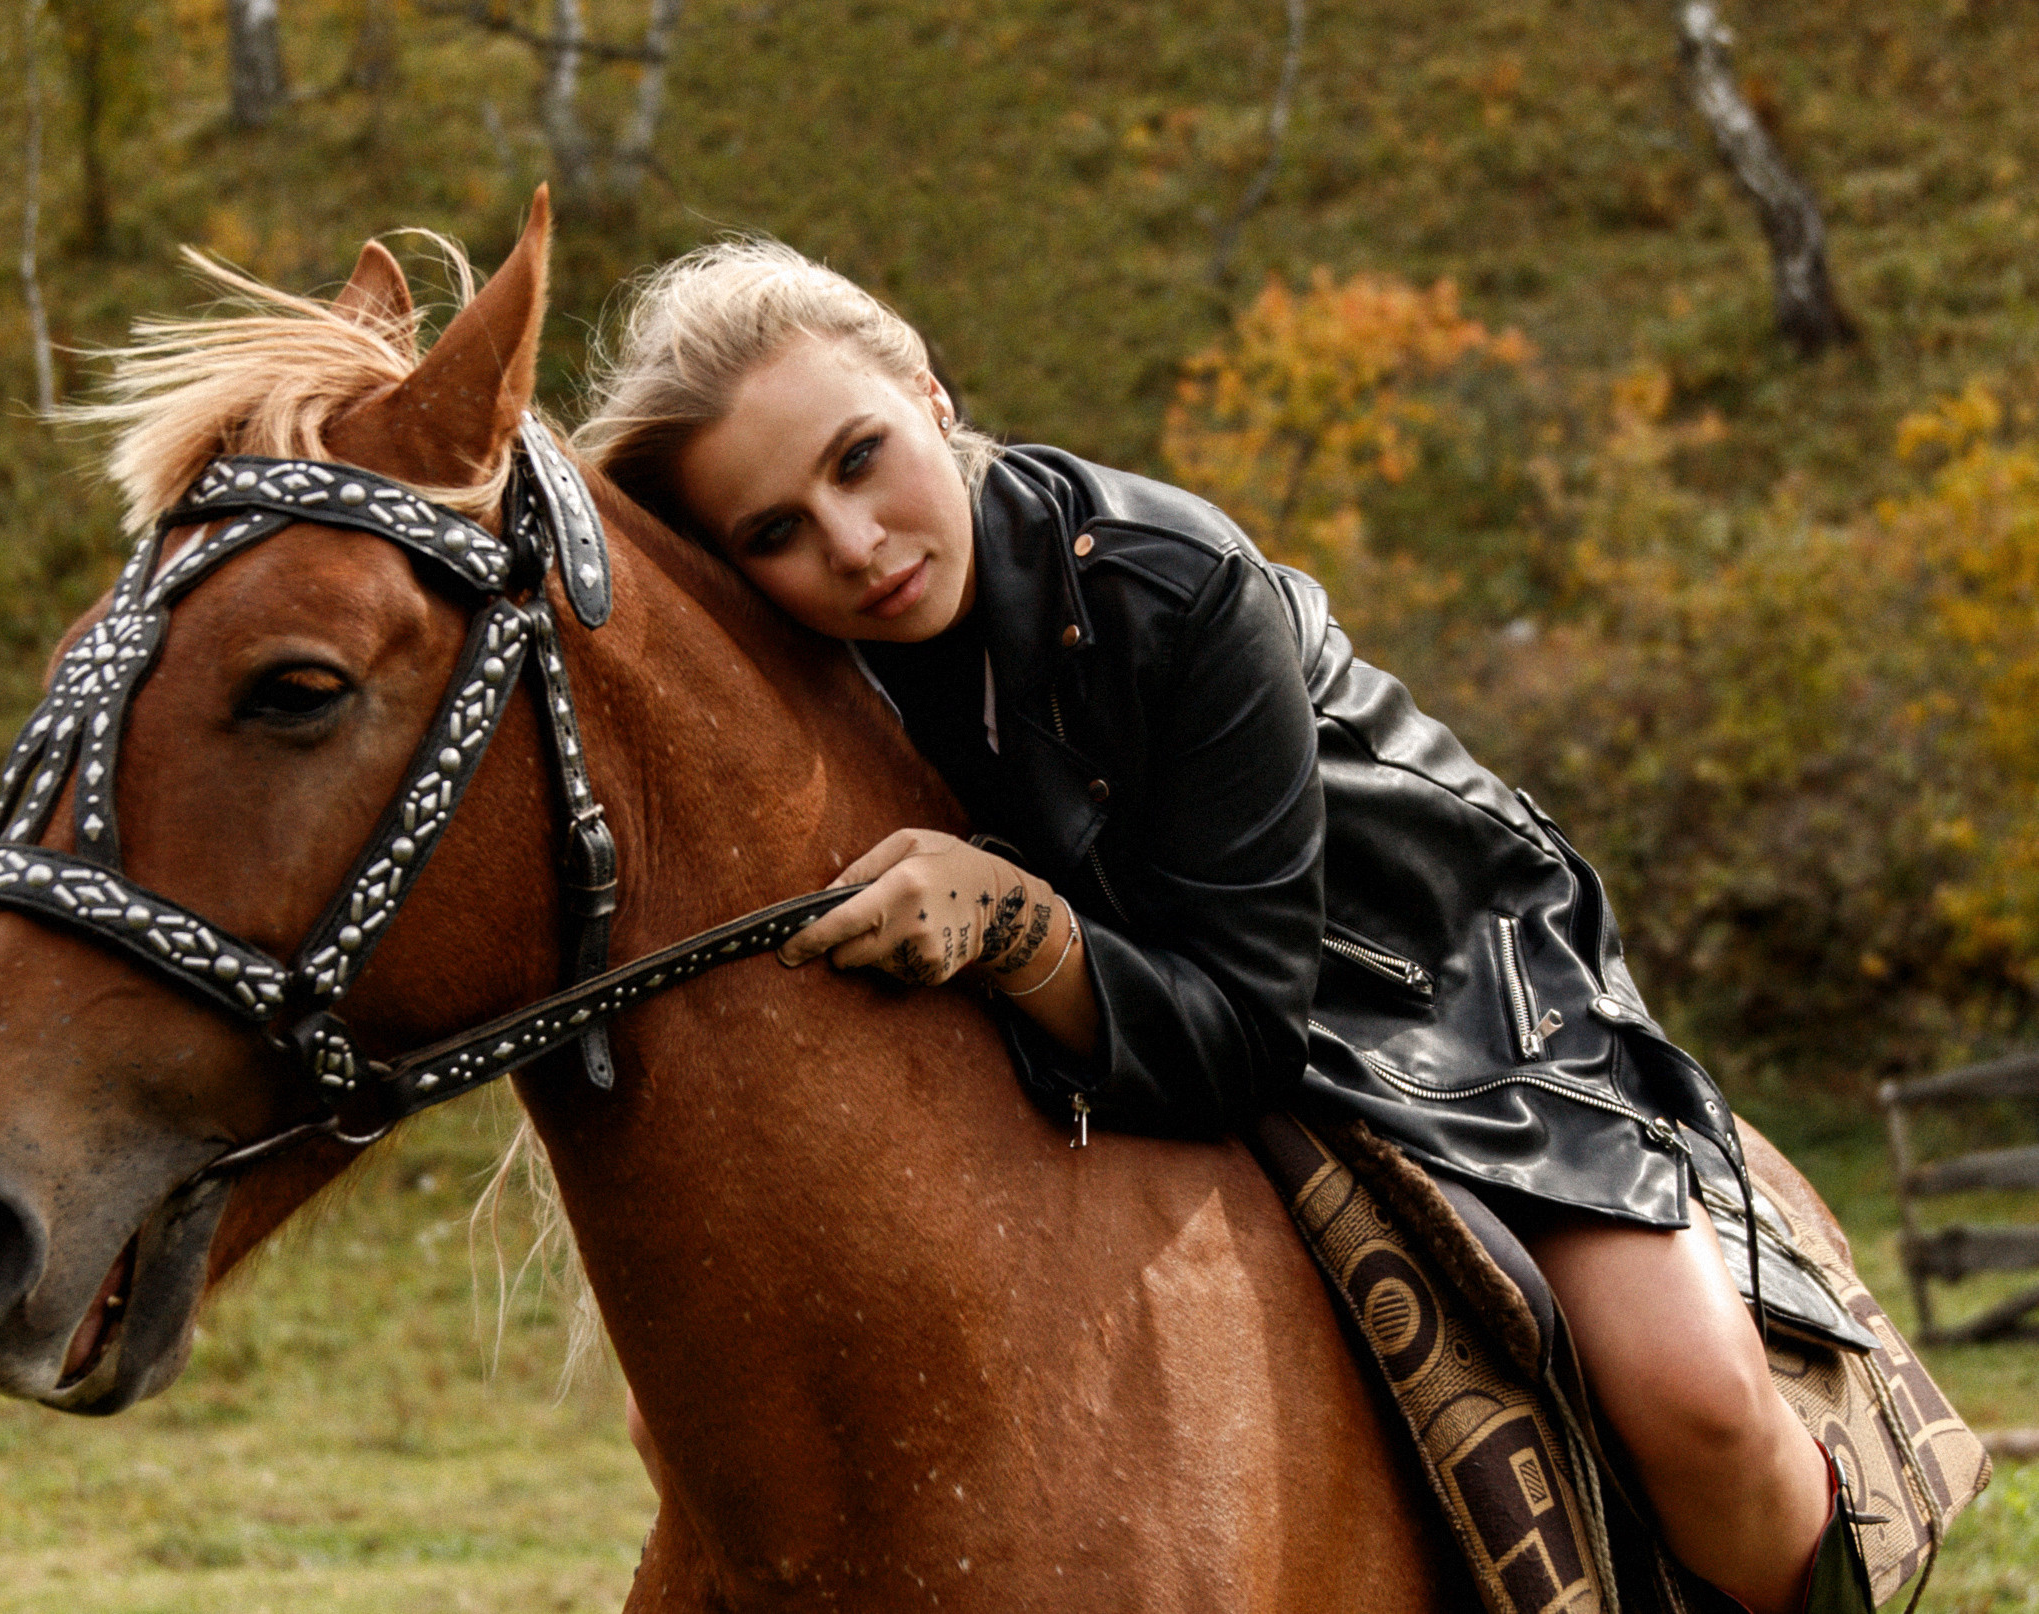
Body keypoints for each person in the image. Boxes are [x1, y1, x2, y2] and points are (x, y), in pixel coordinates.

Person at [571, 240, 1868, 1614]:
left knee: (1694, 1398)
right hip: (1118, 996)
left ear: (931, 394)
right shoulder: (797, 677)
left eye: (857, 457)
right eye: (771, 530)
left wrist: (1020, 927)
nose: (851, 543)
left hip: (1423, 980)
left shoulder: (1169, 579)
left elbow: (1247, 1029)